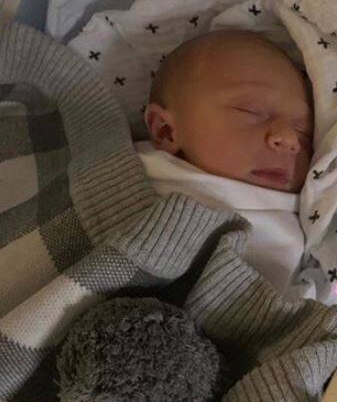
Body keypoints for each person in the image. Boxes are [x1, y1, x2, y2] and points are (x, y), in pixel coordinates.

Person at [135, 28, 315, 296]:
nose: (290, 140)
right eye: (251, 111)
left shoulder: (304, 215)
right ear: (165, 130)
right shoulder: (126, 169)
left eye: (304, 131)